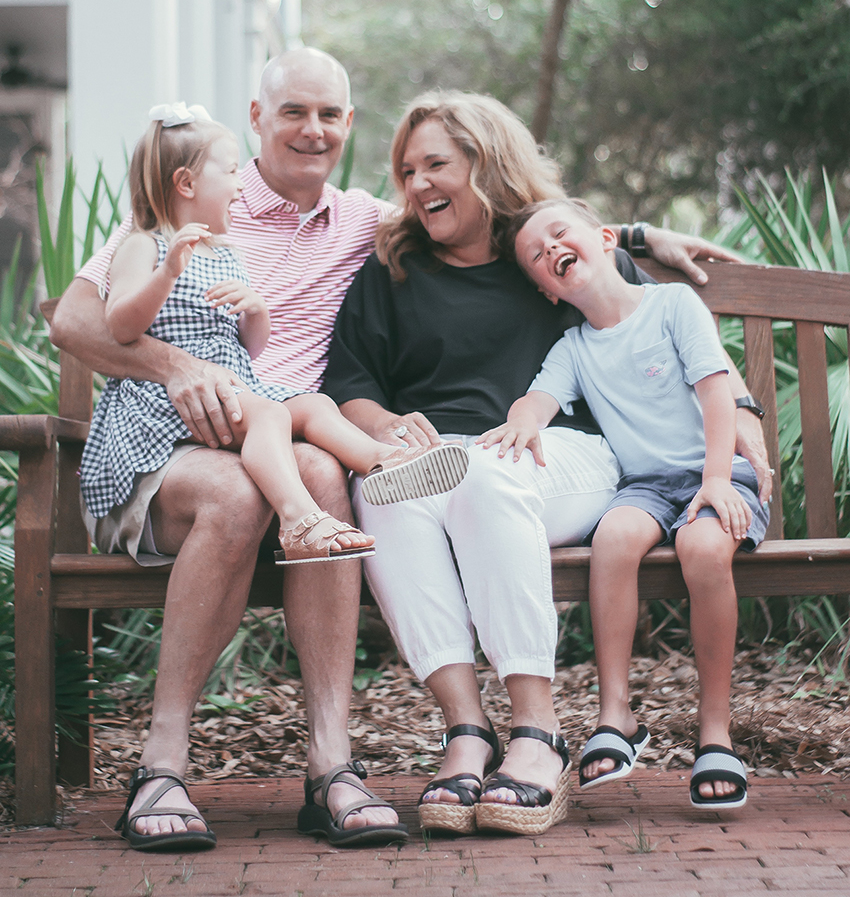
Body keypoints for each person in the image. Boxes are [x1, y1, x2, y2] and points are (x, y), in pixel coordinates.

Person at [322, 91, 772, 837]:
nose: (418, 184)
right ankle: (467, 730)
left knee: (484, 472)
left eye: (438, 163)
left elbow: (653, 320)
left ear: (486, 164)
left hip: (559, 454)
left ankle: (538, 733)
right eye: (407, 170)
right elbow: (351, 383)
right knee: (384, 491)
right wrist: (390, 427)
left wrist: (744, 408)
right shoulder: (392, 269)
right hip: (435, 455)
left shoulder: (542, 257)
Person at [51, 50, 409, 850]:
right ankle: (163, 763)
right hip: (167, 452)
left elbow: (501, 215)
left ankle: (330, 764)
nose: (311, 130)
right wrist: (177, 368)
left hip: (281, 437)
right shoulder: (192, 201)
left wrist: (634, 236)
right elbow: (75, 322)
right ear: (257, 118)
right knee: (239, 492)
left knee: (318, 472)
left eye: (328, 115)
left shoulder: (360, 219)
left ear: (348, 125)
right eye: (293, 112)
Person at [82, 104, 466, 575]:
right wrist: (166, 273)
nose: (240, 184)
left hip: (233, 386)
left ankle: (382, 462)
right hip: (167, 403)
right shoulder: (146, 244)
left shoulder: (223, 251)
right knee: (269, 415)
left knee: (313, 405)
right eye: (229, 172)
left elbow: (250, 350)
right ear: (186, 184)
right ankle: (298, 517)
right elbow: (120, 326)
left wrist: (256, 311)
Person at [483, 197, 771, 810]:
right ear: (547, 291)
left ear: (605, 238)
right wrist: (520, 422)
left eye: (560, 234)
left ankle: (715, 731)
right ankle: (617, 715)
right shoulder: (574, 347)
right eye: (536, 255)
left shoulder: (672, 305)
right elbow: (538, 400)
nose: (550, 250)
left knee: (700, 546)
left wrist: (716, 480)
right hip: (644, 487)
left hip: (717, 474)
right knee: (611, 538)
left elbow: (717, 395)